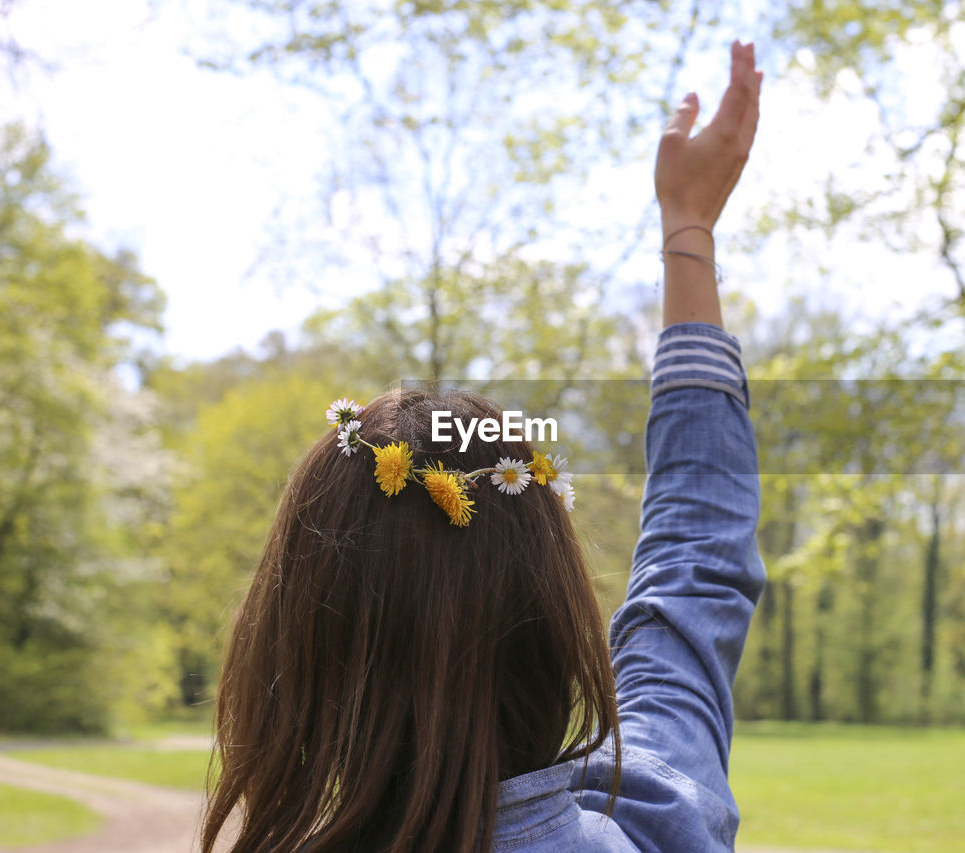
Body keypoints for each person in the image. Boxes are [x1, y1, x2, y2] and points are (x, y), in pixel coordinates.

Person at [200, 39, 764, 853]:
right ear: (554, 618)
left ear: (296, 648)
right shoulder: (658, 819)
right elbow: (695, 565)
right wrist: (688, 229)